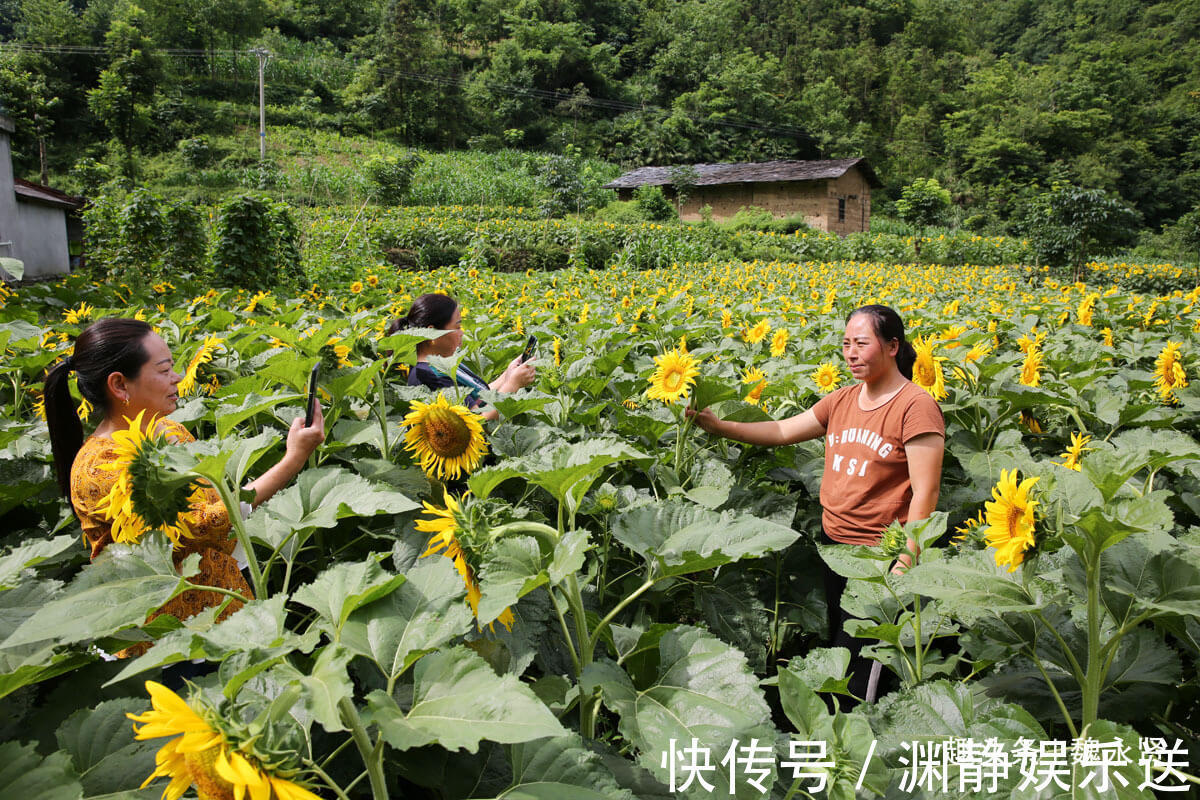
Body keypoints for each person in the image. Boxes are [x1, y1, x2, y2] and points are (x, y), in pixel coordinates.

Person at [687, 305, 944, 699]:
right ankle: (839, 733)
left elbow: (925, 492)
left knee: (862, 661)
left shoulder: (915, 406)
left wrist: (907, 558)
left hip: (879, 557)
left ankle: (864, 740)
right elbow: (781, 430)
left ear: (893, 347)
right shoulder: (841, 401)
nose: (851, 353)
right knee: (842, 647)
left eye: (861, 343)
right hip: (836, 549)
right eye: (846, 344)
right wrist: (720, 426)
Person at [44, 318, 325, 654]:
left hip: (225, 612)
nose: (176, 378)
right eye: (164, 370)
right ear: (120, 385)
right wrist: (292, 460)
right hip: (167, 643)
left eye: (174, 367)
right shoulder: (98, 467)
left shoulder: (169, 431)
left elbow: (215, 500)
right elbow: (197, 525)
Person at [390, 293, 536, 421]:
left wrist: (507, 376)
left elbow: (479, 396)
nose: (462, 333)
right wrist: (513, 385)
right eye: (457, 327)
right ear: (432, 333)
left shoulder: (443, 362)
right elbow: (479, 421)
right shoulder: (429, 376)